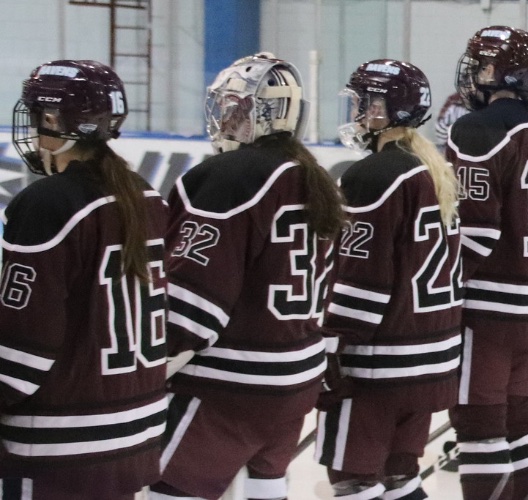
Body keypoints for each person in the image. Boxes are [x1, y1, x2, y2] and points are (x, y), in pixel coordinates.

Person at [154, 53, 345, 500]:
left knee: (170, 489)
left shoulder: (227, 177)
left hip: (230, 385)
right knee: (266, 487)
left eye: (235, 107)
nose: (225, 118)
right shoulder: (316, 177)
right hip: (296, 379)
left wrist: (143, 372)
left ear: (261, 113)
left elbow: (191, 306)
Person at [0, 60, 169, 500]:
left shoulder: (47, 203)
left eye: (40, 117)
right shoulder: (145, 194)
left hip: (62, 444)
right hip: (137, 434)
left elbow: (22, 346)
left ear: (55, 121)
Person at [315, 59, 462, 500]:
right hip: (432, 358)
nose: (357, 113)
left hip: (380, 363)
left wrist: (328, 348)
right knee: (400, 475)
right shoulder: (433, 169)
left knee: (353, 479)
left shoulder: (373, 176)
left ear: (384, 109)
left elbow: (362, 279)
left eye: (364, 103)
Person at [445, 25, 528, 500]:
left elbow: (477, 229)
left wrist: (441, 287)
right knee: (518, 418)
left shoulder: (476, 128)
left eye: (480, 65)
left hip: (491, 304)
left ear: (494, 71)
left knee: (479, 421)